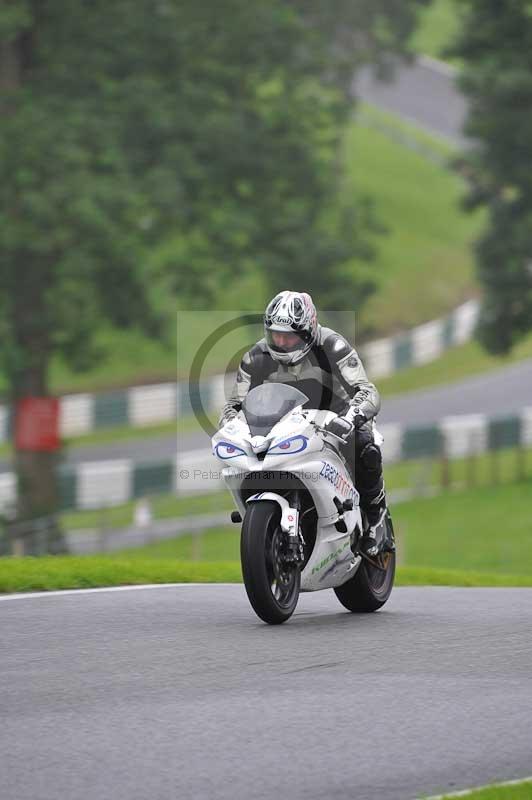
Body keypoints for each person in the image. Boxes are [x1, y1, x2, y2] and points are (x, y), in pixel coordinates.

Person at [219, 290, 388, 556]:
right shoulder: (255, 358)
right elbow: (233, 406)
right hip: (284, 423)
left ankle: (375, 517)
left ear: (308, 332)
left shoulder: (333, 346)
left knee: (364, 443)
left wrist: (350, 418)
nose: (282, 341)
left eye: (290, 336)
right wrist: (233, 428)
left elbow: (367, 391)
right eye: (276, 334)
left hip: (335, 418)